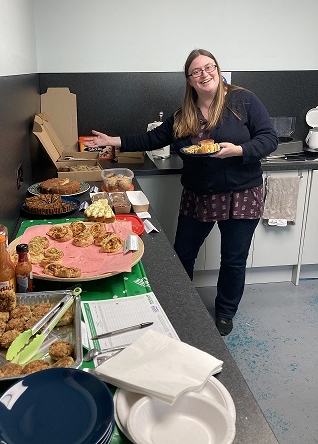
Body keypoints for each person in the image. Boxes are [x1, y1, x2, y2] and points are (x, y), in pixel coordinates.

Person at [85, 48, 278, 336]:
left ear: (218, 69)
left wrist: (238, 150)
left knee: (234, 259)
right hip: (199, 194)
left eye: (209, 67)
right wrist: (112, 140)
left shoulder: (243, 101)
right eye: (197, 71)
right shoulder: (183, 114)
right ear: (189, 79)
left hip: (241, 194)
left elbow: (269, 138)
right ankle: (181, 305)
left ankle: (225, 312)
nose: (205, 74)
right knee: (183, 254)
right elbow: (152, 138)